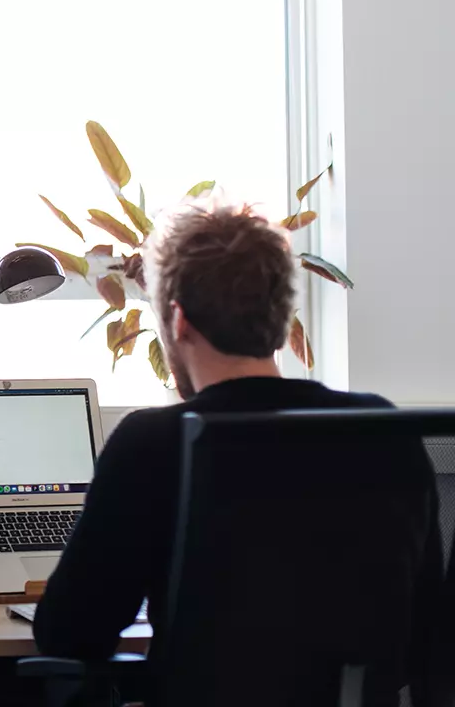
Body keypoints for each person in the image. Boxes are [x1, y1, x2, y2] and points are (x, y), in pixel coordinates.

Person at [33, 203, 432, 672]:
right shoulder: (380, 428)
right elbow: (419, 629)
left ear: (178, 320)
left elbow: (70, 633)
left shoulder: (153, 442)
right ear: (283, 318)